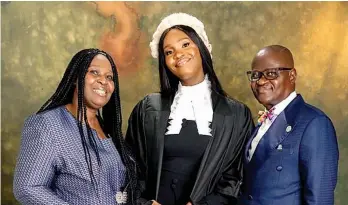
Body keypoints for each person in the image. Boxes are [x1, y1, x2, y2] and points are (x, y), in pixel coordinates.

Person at [125, 13, 254, 205]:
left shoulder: (236, 115)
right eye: (169, 52)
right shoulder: (148, 108)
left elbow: (235, 177)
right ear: (164, 62)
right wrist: (144, 203)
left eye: (185, 44)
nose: (178, 54)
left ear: (201, 47)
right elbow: (130, 165)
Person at [13, 48, 137, 205]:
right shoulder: (47, 125)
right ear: (75, 78)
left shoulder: (108, 130)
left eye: (109, 77)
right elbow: (28, 188)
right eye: (94, 72)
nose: (103, 81)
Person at [239, 45, 339, 205]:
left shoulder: (315, 123)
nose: (261, 81)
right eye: (255, 75)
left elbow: (320, 199)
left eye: (271, 73)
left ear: (292, 76)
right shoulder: (261, 124)